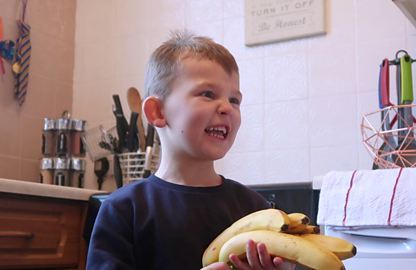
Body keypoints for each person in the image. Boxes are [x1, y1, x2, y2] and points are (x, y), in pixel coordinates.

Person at [86, 29, 295, 270]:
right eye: (208, 94)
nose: (227, 107)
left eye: (235, 100)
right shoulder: (123, 210)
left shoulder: (254, 209)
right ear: (158, 112)